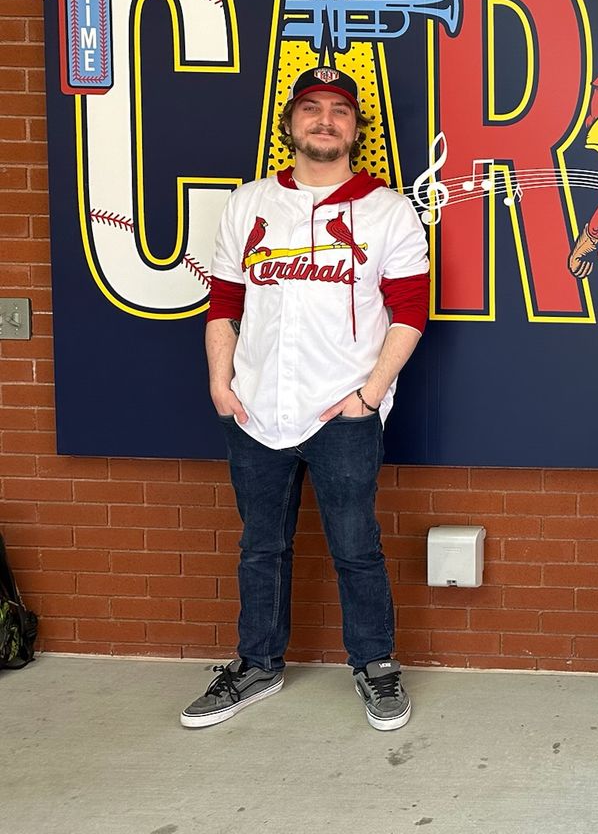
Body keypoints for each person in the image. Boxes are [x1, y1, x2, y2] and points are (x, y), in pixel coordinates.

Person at [182, 66, 429, 732]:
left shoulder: (387, 210)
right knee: (260, 548)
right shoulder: (250, 204)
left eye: (339, 110)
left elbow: (411, 310)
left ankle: (375, 665)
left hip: (341, 411)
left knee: (356, 548)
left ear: (356, 129)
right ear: (290, 123)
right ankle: (257, 664)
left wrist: (368, 396)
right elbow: (223, 302)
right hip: (255, 407)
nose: (325, 119)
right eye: (312, 108)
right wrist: (220, 382)